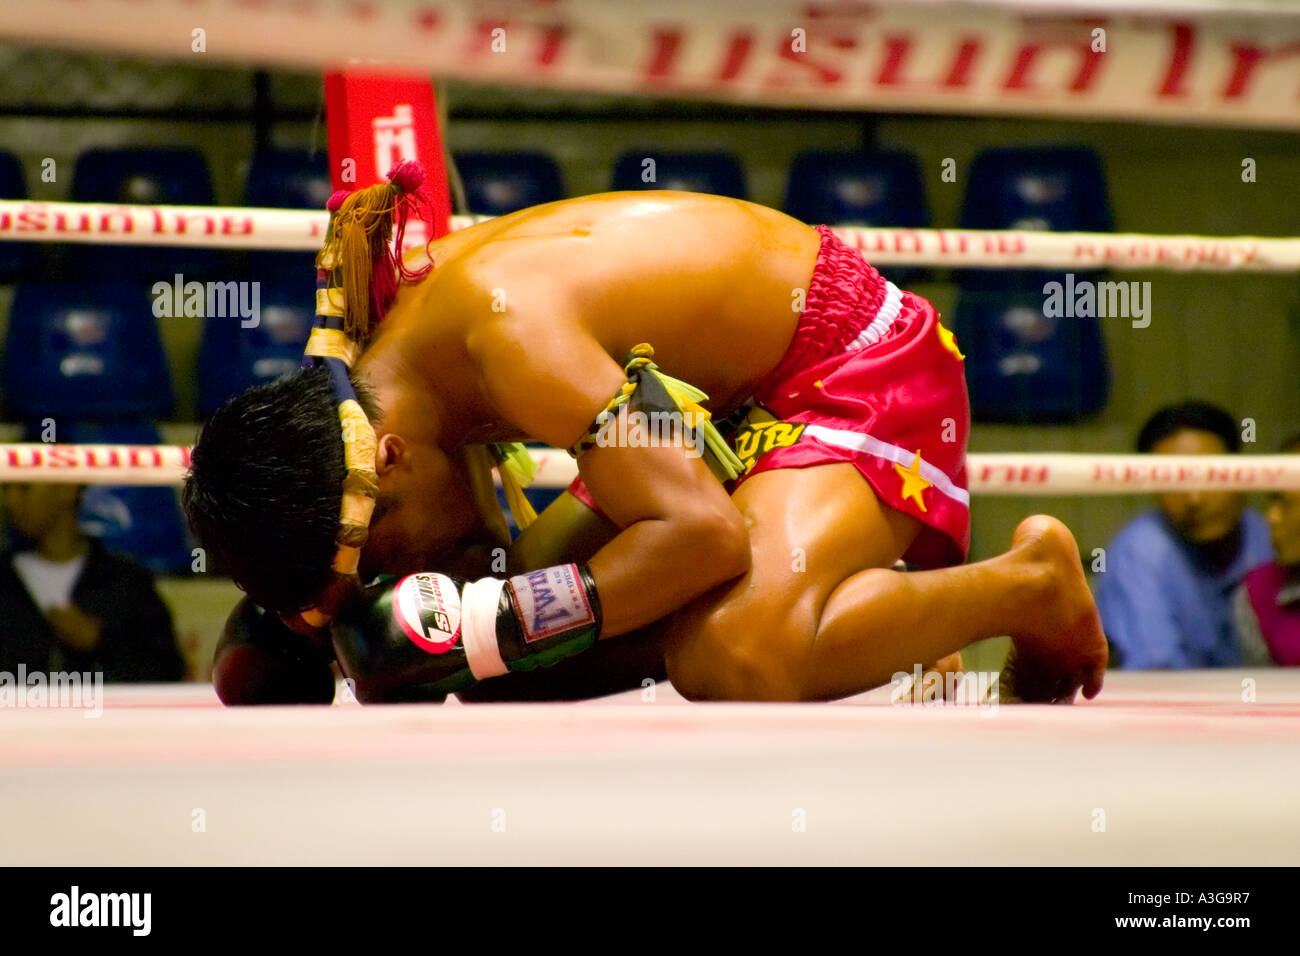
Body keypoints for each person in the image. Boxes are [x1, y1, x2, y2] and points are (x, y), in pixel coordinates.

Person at [185, 179, 1106, 704]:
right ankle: (850, 614)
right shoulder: (384, 381)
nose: (408, 564)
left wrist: (486, 625)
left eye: (384, 550)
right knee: (508, 663)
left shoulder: (507, 341)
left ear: (385, 460)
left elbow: (702, 535)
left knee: (729, 652)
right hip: (699, 415)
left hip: (850, 367)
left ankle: (1027, 586)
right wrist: (316, 622)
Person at [1096, 401, 1273, 669]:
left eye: (1209, 475)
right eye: (1173, 481)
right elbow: (1157, 677)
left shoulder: (1269, 534)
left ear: (1242, 470)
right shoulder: (1139, 553)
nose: (1194, 498)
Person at [0, 482, 184, 682]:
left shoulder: (125, 582)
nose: (9, 501)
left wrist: (100, 641)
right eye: (6, 489)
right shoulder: (5, 580)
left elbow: (167, 672)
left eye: (23, 488)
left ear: (66, 489)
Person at [1233, 433, 1300, 666]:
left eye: (1285, 502)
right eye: (1272, 499)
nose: (1270, 518)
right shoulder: (1256, 592)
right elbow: (1262, 692)